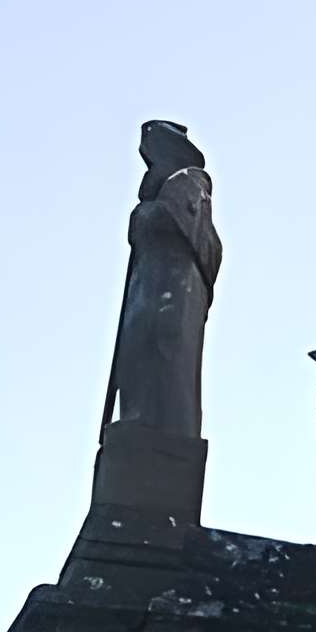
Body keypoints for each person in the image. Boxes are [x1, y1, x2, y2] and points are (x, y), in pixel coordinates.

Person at [107, 120, 222, 438]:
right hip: (149, 290)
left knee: (162, 360)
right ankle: (139, 414)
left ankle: (152, 419)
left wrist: (147, 215)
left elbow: (173, 220)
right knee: (137, 361)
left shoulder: (188, 180)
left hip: (169, 293)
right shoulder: (163, 189)